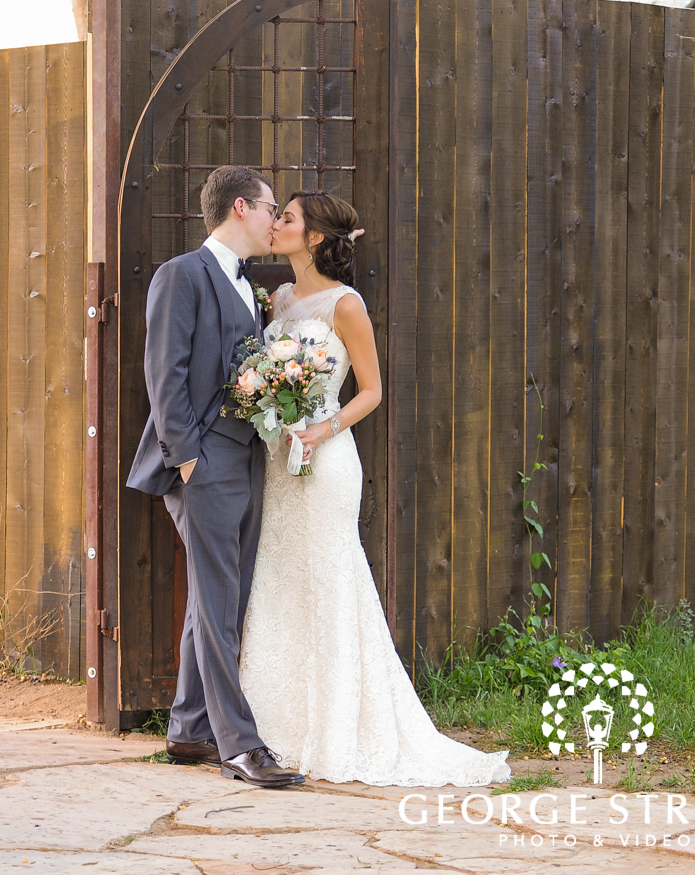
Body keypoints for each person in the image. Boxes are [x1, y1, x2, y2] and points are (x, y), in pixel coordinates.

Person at [238, 191, 511, 787]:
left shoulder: (346, 305)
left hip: (326, 459)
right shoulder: (279, 299)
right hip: (281, 460)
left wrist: (322, 428)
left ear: (314, 237)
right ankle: (277, 726)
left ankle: (339, 729)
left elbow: (372, 390)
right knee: (281, 578)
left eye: (288, 218)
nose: (276, 224)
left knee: (331, 579)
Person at [126, 165, 305, 789]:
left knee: (218, 596)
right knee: (221, 601)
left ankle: (189, 728)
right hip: (203, 463)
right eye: (270, 207)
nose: (275, 219)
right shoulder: (183, 274)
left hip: (244, 458)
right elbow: (164, 371)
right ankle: (240, 746)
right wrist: (186, 458)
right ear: (241, 208)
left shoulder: (245, 284)